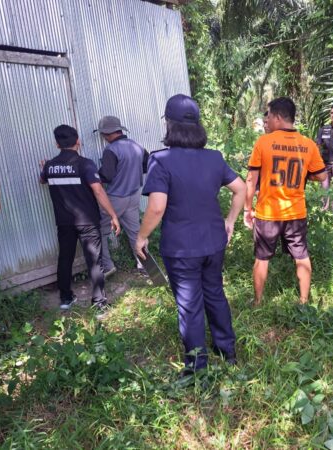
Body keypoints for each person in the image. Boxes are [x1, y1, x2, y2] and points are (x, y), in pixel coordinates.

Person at [135, 94, 246, 375]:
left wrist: (141, 236)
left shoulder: (161, 160)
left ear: (169, 124)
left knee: (189, 305)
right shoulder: (214, 158)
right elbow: (241, 189)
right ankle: (227, 352)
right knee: (215, 293)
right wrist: (230, 221)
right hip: (214, 242)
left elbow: (157, 207)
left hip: (181, 248)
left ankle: (197, 368)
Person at [244, 97, 327, 305]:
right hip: (296, 213)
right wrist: (303, 174)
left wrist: (247, 209)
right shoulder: (308, 144)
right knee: (301, 256)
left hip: (267, 213)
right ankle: (304, 300)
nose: (268, 120)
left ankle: (258, 301)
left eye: (270, 116)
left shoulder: (264, 142)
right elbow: (322, 175)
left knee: (262, 258)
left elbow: (251, 179)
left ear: (278, 117)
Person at [40, 125, 121, 315]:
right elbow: (98, 190)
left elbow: (42, 180)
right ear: (78, 141)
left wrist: (43, 168)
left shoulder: (50, 166)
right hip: (88, 222)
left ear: (57, 144)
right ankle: (99, 303)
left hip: (64, 222)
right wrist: (113, 215)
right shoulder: (85, 164)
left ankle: (66, 299)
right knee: (94, 261)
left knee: (65, 258)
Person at [95, 115, 148, 277]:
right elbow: (147, 166)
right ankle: (145, 267)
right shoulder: (136, 146)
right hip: (134, 195)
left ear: (107, 134)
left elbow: (107, 176)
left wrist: (95, 175)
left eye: (103, 135)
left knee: (100, 230)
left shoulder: (111, 150)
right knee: (135, 232)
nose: (104, 138)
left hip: (115, 198)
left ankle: (107, 266)